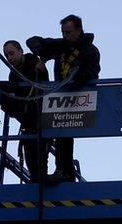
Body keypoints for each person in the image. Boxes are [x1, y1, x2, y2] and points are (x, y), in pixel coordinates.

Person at [27, 14, 101, 183]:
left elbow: (92, 73)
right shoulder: (60, 45)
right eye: (63, 32)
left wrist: (76, 75)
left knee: (65, 133)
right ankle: (50, 173)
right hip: (60, 97)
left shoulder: (90, 50)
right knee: (56, 131)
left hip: (80, 97)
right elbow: (32, 41)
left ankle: (65, 171)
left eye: (69, 32)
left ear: (79, 31)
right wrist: (43, 55)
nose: (65, 36)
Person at [0, 40, 49, 182]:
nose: (9, 58)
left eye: (12, 53)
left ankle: (39, 179)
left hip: (40, 114)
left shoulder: (32, 60)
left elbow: (42, 78)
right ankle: (36, 179)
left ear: (20, 51)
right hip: (28, 117)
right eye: (7, 55)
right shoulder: (13, 74)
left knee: (39, 151)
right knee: (30, 152)